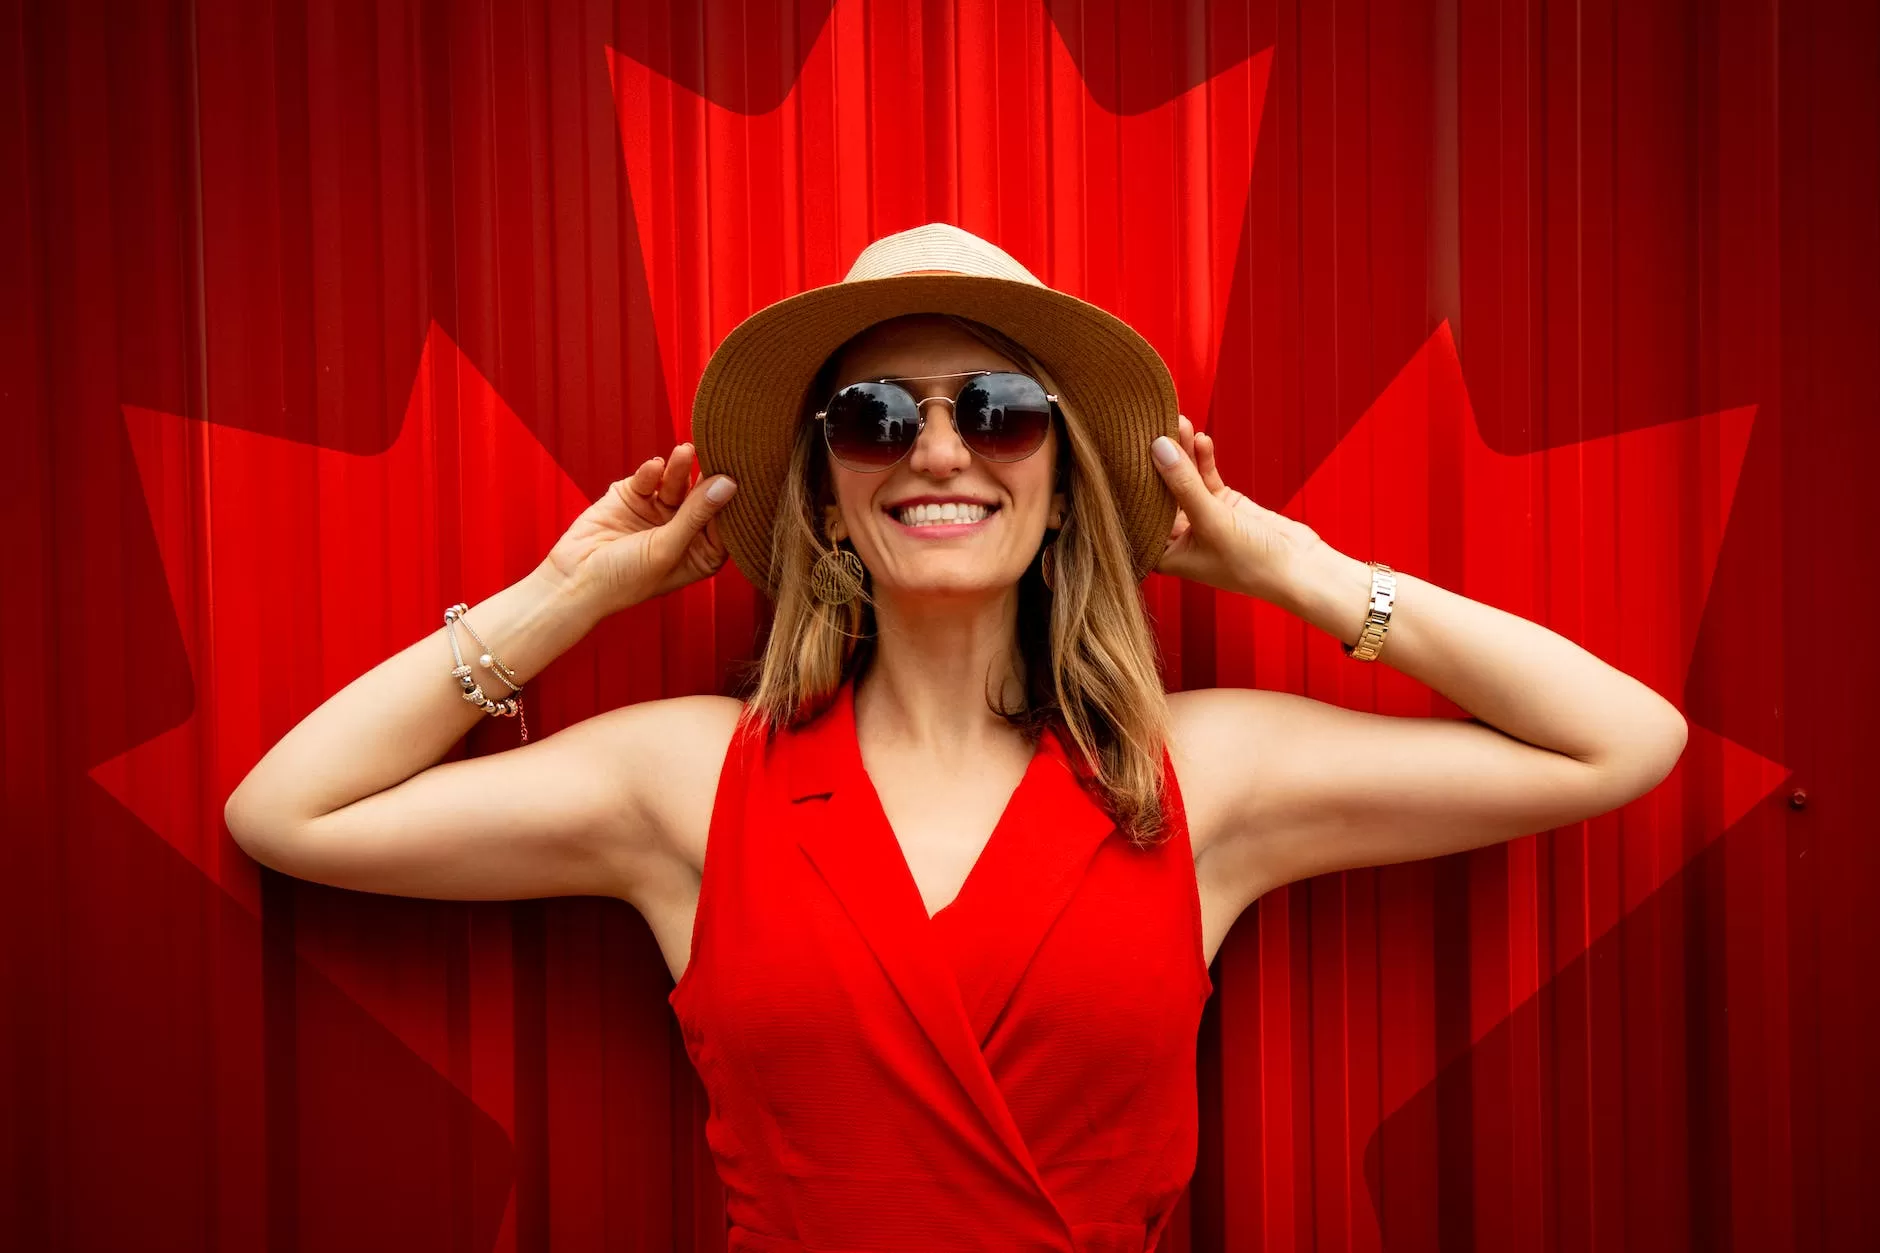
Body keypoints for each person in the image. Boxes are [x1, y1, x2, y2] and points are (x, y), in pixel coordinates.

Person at [224, 223, 1687, 1250]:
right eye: (872, 415)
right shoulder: (688, 779)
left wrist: (1291, 568)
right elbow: (292, 816)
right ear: (821, 488)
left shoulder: (1203, 777)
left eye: (997, 409)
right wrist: (565, 596)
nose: (938, 449)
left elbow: (1616, 743)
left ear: (1063, 479)